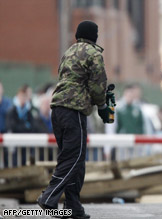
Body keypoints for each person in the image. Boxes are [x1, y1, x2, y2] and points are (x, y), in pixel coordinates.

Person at [37, 20, 112, 219]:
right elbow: (98, 86)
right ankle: (49, 196)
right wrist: (103, 106)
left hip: (57, 109)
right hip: (74, 110)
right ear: (94, 36)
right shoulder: (94, 54)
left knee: (70, 158)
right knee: (75, 157)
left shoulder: (68, 51)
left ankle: (73, 207)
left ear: (77, 35)